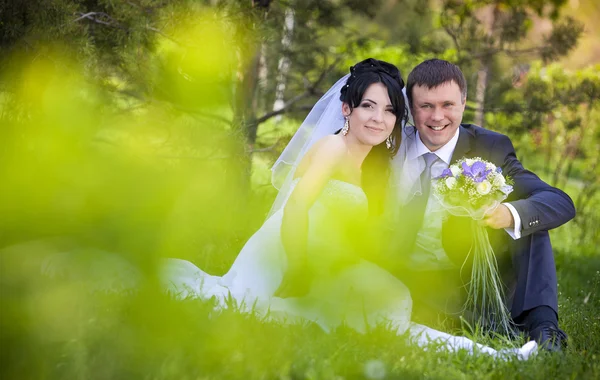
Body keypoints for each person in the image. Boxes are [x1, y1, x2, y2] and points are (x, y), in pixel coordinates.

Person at [159, 58, 538, 359]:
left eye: (389, 111)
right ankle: (495, 355)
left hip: (326, 259)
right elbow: (295, 211)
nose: (379, 118)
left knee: (389, 305)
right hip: (286, 257)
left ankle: (496, 355)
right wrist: (300, 270)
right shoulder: (332, 149)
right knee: (367, 313)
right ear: (346, 109)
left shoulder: (374, 162)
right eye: (368, 107)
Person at [385, 59, 575, 352]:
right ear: (410, 107)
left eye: (448, 104)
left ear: (464, 102)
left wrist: (508, 214)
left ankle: (544, 329)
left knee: (527, 220)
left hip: (469, 278)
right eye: (426, 106)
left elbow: (559, 202)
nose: (437, 117)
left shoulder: (490, 148)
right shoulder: (388, 146)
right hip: (409, 281)